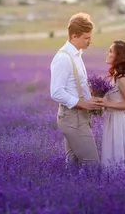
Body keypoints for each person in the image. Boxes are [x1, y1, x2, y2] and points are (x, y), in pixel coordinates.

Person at [50, 12, 103, 167]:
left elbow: (74, 85)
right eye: (86, 38)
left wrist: (91, 94)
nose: (90, 41)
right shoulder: (63, 58)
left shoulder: (76, 55)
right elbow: (56, 92)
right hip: (72, 118)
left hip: (80, 116)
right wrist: (84, 103)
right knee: (92, 164)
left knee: (73, 164)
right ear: (74, 36)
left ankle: (69, 191)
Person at [98, 40, 125, 170]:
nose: (108, 53)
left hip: (122, 123)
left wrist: (107, 103)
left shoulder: (122, 78)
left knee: (120, 163)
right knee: (114, 161)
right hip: (114, 120)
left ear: (119, 56)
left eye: (111, 51)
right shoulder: (116, 75)